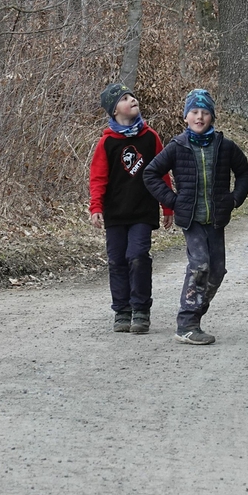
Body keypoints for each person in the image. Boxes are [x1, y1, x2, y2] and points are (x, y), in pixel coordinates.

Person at [143, 88, 248, 345]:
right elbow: (150, 173)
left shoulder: (225, 146)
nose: (199, 117)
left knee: (217, 271)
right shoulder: (177, 146)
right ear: (185, 117)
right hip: (191, 220)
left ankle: (195, 316)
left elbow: (245, 172)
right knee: (199, 264)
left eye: (205, 112)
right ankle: (187, 323)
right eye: (194, 112)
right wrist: (172, 200)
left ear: (212, 117)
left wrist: (234, 199)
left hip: (216, 219)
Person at [89, 83, 173, 334]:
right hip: (115, 212)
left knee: (137, 256)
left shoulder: (150, 137)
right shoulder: (107, 143)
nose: (132, 100)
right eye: (125, 99)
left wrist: (167, 205)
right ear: (114, 111)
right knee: (116, 261)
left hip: (142, 212)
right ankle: (122, 311)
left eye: (132, 96)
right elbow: (98, 178)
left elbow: (162, 173)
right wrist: (96, 206)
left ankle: (141, 310)